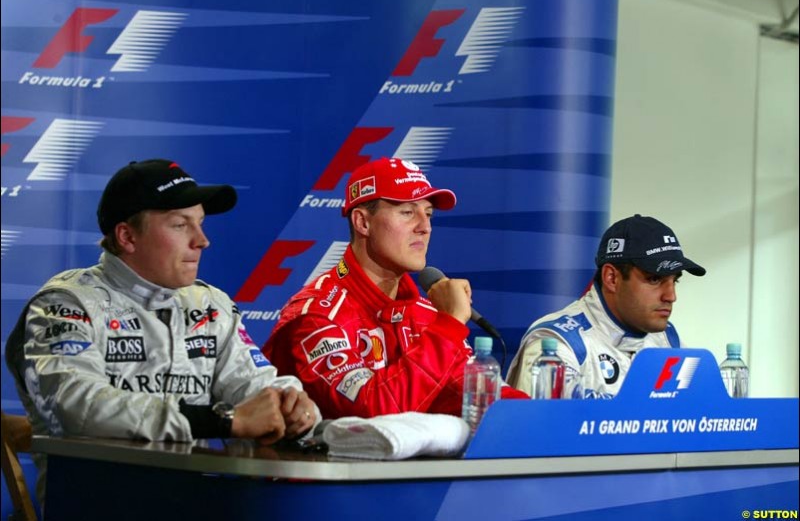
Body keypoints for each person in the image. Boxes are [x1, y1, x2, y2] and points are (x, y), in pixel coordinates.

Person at [5, 159, 320, 501]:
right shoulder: (64, 304)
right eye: (180, 225)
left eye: (200, 223)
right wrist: (227, 421)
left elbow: (256, 387)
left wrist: (290, 402)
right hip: (94, 505)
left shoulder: (209, 304)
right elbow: (79, 409)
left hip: (196, 504)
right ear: (127, 236)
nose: (202, 241)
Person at [262, 157, 527, 419]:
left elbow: (471, 397)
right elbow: (374, 413)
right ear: (363, 223)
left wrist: (545, 414)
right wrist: (448, 326)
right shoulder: (316, 317)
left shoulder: (426, 315)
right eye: (407, 212)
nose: (424, 227)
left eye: (428, 214)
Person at [506, 214, 706, 398]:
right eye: (655, 279)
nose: (671, 296)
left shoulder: (668, 340)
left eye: (675, 281)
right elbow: (540, 431)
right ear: (612, 278)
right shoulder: (557, 344)